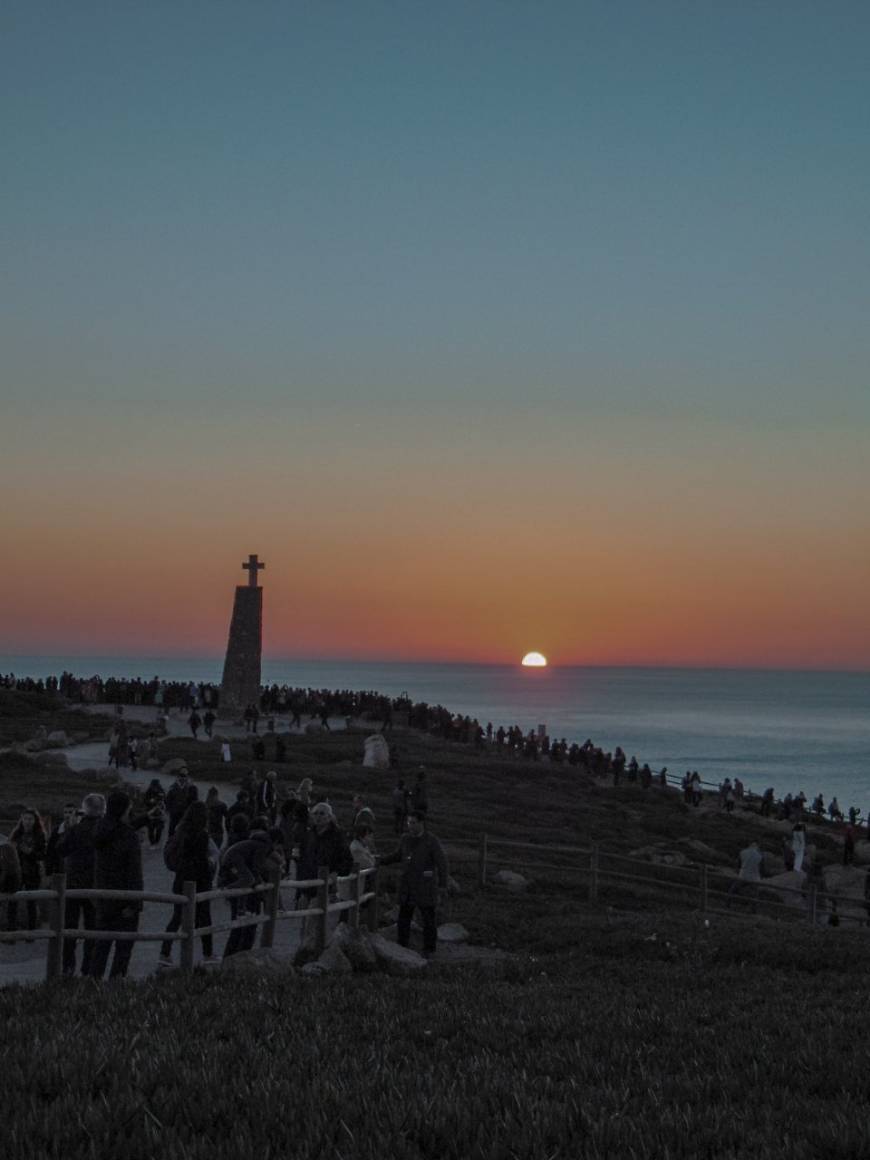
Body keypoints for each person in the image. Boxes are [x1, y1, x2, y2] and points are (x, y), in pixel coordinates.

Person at [88, 791, 146, 979]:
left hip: (104, 898)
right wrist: (135, 903)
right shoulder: (127, 835)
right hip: (124, 901)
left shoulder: (101, 829)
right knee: (124, 946)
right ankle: (116, 984)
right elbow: (134, 871)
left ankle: (93, 983)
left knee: (101, 945)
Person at [158, 801, 218, 967]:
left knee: (177, 917)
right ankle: (208, 953)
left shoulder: (180, 830)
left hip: (181, 879)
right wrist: (210, 865)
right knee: (204, 917)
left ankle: (164, 952)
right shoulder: (201, 835)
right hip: (199, 882)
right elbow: (199, 861)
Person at [380, 811, 448, 957]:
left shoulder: (431, 841)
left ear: (421, 823)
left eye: (413, 823)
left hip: (425, 887)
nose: (410, 826)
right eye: (408, 822)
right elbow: (398, 855)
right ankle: (402, 945)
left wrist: (443, 885)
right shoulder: (405, 839)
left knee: (428, 918)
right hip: (408, 886)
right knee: (404, 917)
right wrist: (381, 860)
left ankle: (429, 949)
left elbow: (442, 863)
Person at [57, 793, 105, 976]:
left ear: (84, 809)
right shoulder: (104, 830)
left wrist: (69, 828)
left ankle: (68, 966)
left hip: (73, 885)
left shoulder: (77, 829)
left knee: (70, 927)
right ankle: (89, 967)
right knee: (92, 928)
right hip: (96, 885)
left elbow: (61, 849)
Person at [219, 827, 283, 958]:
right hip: (235, 861)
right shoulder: (264, 846)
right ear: (276, 842)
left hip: (232, 861)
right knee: (249, 880)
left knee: (247, 883)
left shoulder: (255, 842)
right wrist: (259, 881)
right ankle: (226, 889)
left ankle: (231, 957)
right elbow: (255, 865)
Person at [8, 809, 47, 935]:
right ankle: (11, 931)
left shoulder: (39, 835)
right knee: (12, 901)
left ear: (35, 821)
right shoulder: (17, 834)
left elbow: (42, 855)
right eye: (25, 818)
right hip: (17, 872)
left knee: (31, 902)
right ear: (22, 819)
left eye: (30, 819)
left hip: (32, 872)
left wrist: (30, 853)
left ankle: (31, 932)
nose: (27, 822)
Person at [165, 766, 198, 837]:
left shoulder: (191, 787)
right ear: (178, 776)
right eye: (181, 775)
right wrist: (169, 809)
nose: (183, 778)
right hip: (175, 811)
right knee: (172, 829)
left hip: (186, 812)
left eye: (184, 776)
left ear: (187, 776)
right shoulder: (173, 787)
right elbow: (168, 799)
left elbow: (195, 800)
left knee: (185, 830)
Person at [143, 779, 166, 848]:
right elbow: (145, 800)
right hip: (151, 812)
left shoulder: (161, 790)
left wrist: (161, 800)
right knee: (151, 829)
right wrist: (150, 801)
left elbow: (165, 799)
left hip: (159, 813)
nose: (155, 788)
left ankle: (156, 842)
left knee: (159, 829)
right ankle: (152, 843)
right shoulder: (149, 791)